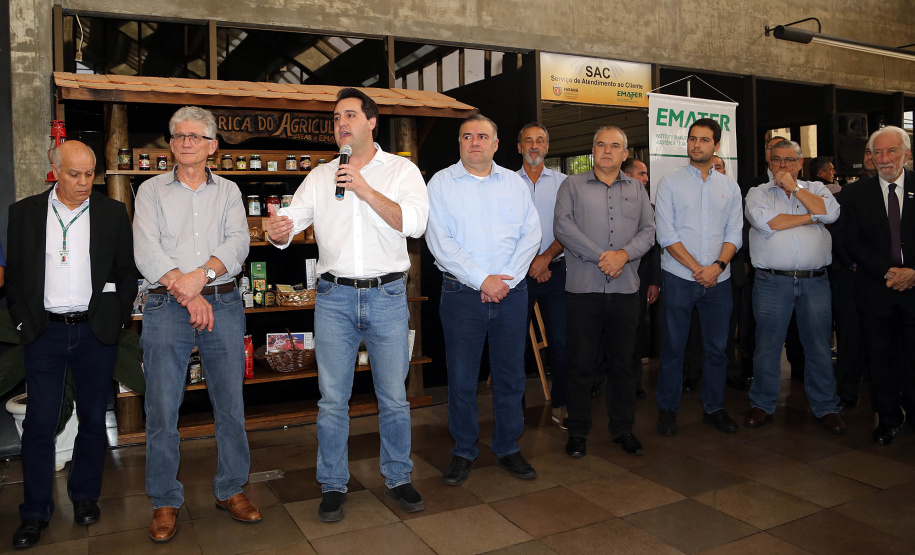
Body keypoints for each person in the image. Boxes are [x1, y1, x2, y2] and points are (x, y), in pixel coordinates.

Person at [266, 88, 429, 521]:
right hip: (334, 298)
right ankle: (334, 483)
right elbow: (288, 228)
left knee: (393, 397)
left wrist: (364, 188)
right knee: (332, 399)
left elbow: (414, 224)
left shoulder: (401, 170)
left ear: (372, 122)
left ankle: (398, 477)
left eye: (350, 115)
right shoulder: (320, 176)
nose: (341, 123)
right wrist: (277, 228)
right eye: (337, 116)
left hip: (388, 295)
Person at [133, 107, 260, 542]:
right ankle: (164, 499)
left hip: (221, 304)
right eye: (178, 135)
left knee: (230, 406)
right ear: (170, 144)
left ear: (212, 146)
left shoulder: (228, 192)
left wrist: (200, 277)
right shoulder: (149, 191)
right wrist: (184, 290)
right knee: (162, 409)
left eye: (195, 136)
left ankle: (232, 488)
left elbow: (238, 243)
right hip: (165, 306)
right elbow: (145, 248)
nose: (186, 142)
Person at [6, 141, 137, 549]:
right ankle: (35, 511)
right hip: (44, 334)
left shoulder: (112, 213)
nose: (83, 182)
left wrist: (112, 323)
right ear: (54, 169)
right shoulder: (24, 213)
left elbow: (125, 274)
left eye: (89, 174)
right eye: (74, 174)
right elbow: (16, 277)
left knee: (94, 421)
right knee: (40, 424)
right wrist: (27, 324)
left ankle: (84, 498)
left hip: (94, 334)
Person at [426, 114, 541, 485]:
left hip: (512, 291)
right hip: (462, 294)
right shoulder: (441, 184)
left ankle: (508, 446)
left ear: (496, 143)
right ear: (459, 143)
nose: (474, 142)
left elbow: (532, 235)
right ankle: (463, 450)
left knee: (510, 377)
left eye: (482, 136)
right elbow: (440, 242)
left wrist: (506, 279)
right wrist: (483, 280)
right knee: (461, 378)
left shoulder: (515, 184)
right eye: (466, 136)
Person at [555, 126, 655, 458]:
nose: (607, 150)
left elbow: (649, 230)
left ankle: (623, 428)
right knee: (581, 363)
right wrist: (602, 257)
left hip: (626, 289)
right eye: (600, 144)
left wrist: (623, 256)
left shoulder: (638, 191)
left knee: (623, 364)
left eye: (615, 146)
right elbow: (563, 227)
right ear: (592, 151)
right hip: (584, 290)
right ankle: (578, 431)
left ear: (626, 154)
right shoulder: (571, 185)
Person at [744, 139, 846, 433]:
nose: (783, 166)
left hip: (815, 282)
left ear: (800, 164)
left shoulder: (816, 188)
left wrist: (796, 190)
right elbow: (768, 223)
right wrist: (811, 216)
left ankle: (826, 406)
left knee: (818, 346)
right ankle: (762, 403)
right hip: (771, 282)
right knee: (767, 346)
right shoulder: (758, 192)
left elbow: (831, 214)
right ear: (769, 163)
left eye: (790, 160)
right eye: (777, 160)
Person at [654, 118, 743, 436]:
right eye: (692, 139)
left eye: (704, 140)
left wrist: (717, 267)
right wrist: (697, 268)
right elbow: (666, 233)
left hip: (719, 280)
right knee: (673, 347)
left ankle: (714, 408)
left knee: (718, 348)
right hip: (679, 277)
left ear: (716, 146)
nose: (697, 145)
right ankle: (667, 409)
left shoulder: (730, 187)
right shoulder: (670, 183)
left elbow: (735, 232)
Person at [842, 126, 915, 445]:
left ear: (906, 154)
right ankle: (887, 418)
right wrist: (889, 271)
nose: (884, 159)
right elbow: (853, 242)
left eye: (891, 151)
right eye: (878, 152)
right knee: (880, 357)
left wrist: (913, 271)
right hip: (876, 289)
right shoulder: (856, 194)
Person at [515, 122, 569, 428]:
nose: (534, 146)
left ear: (547, 147)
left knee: (562, 343)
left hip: (557, 272)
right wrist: (530, 263)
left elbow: (571, 227)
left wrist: (546, 259)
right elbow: (502, 231)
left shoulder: (565, 183)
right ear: (519, 147)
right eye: (528, 141)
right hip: (517, 274)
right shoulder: (505, 182)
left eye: (540, 141)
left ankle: (562, 405)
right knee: (515, 344)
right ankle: (515, 409)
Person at [622, 158, 659, 399]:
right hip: (608, 278)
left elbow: (654, 247)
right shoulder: (609, 203)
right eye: (642, 173)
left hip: (641, 281)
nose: (646, 179)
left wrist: (654, 281)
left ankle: (634, 384)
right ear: (627, 175)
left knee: (634, 334)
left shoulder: (650, 207)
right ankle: (597, 380)